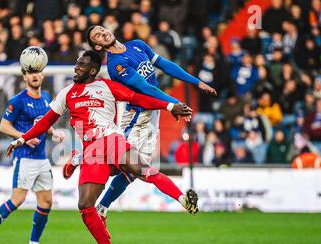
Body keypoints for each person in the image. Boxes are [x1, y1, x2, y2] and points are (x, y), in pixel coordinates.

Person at [6, 51, 197, 244]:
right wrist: (21, 138)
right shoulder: (67, 93)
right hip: (91, 152)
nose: (76, 67)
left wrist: (169, 106)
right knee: (85, 204)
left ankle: (183, 200)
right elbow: (47, 120)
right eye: (77, 63)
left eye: (81, 64)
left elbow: (138, 99)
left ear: (93, 70)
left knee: (141, 169)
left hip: (111, 139)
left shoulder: (106, 86)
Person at [64, 25, 216, 221]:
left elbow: (165, 64)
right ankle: (81, 158)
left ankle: (103, 206)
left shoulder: (137, 44)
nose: (103, 33)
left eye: (102, 30)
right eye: (97, 36)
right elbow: (145, 88)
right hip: (136, 115)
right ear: (98, 46)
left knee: (134, 169)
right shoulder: (115, 65)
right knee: (124, 163)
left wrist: (196, 82)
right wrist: (173, 104)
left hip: (152, 114)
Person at [0, 67, 65, 244]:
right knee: (18, 199)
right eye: (30, 73)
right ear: (24, 77)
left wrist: (54, 132)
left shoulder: (47, 96)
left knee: (46, 201)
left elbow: (44, 122)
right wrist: (24, 137)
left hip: (42, 158)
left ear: (42, 75)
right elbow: (3, 125)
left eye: (37, 72)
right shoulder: (17, 101)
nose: (34, 75)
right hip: (25, 157)